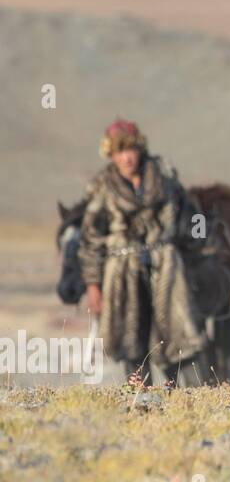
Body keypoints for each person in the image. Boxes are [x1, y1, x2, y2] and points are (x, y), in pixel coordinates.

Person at [78, 119, 210, 385]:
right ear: (111, 155)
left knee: (181, 336)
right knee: (131, 342)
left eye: (131, 150)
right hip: (123, 273)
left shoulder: (165, 179)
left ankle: (197, 399)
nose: (127, 158)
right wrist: (93, 286)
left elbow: (193, 218)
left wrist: (196, 248)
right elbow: (90, 240)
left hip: (167, 269)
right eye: (120, 152)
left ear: (140, 149)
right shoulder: (103, 188)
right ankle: (142, 402)